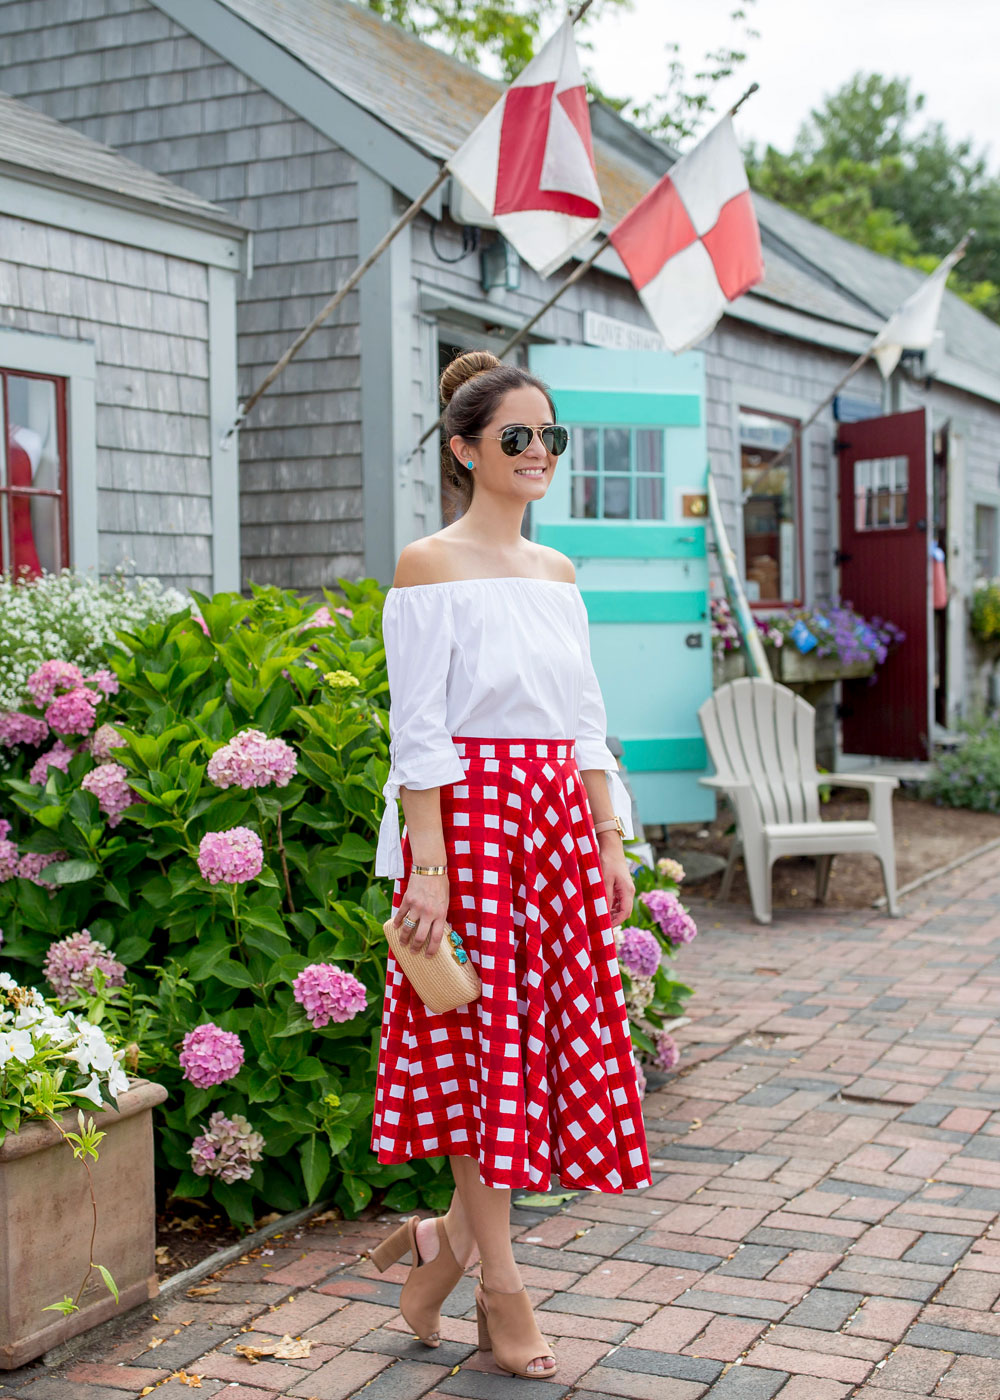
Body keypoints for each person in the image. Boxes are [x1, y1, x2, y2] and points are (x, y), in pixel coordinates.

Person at [368, 350, 651, 1380]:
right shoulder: (427, 564)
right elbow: (422, 733)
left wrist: (608, 838)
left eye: (549, 438)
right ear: (464, 449)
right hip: (471, 832)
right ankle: (503, 1285)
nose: (537, 454)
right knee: (480, 1062)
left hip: (554, 833)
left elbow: (583, 723)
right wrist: (430, 865)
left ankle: (443, 1246)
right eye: (515, 438)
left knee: (525, 1066)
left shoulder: (559, 574)